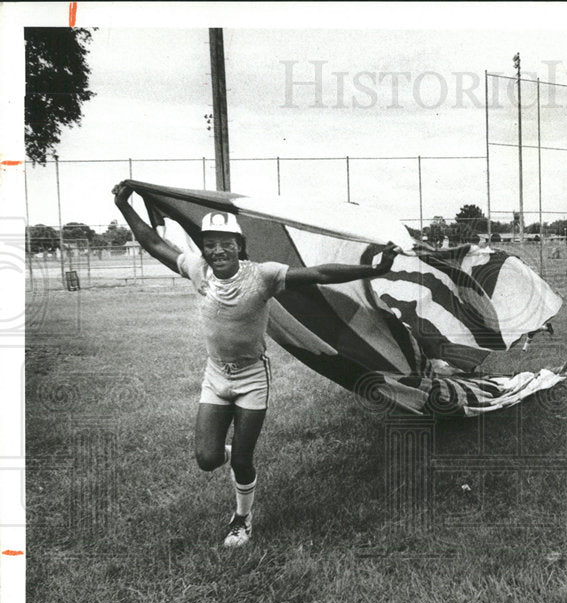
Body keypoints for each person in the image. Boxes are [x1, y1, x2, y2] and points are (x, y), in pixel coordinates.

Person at [112, 182, 402, 547]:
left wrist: (372, 271)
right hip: (216, 376)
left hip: (251, 378)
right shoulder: (197, 269)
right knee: (206, 458)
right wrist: (125, 206)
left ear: (239, 246)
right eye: (210, 243)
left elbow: (319, 274)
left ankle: (242, 519)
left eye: (225, 243)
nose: (217, 250)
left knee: (242, 461)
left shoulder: (261, 274)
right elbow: (155, 244)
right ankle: (231, 451)